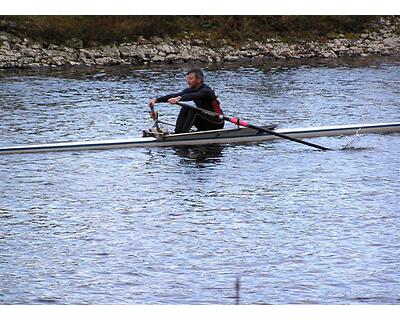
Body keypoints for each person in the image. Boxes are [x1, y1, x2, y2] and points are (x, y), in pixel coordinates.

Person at [148, 69, 224, 134]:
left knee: (192, 110)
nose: (188, 81)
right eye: (187, 79)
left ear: (199, 80)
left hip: (216, 122)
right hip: (205, 120)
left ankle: (181, 136)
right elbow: (176, 94)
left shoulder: (206, 91)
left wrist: (178, 99)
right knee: (185, 108)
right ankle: (178, 132)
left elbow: (192, 96)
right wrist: (156, 100)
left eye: (191, 79)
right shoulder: (191, 89)